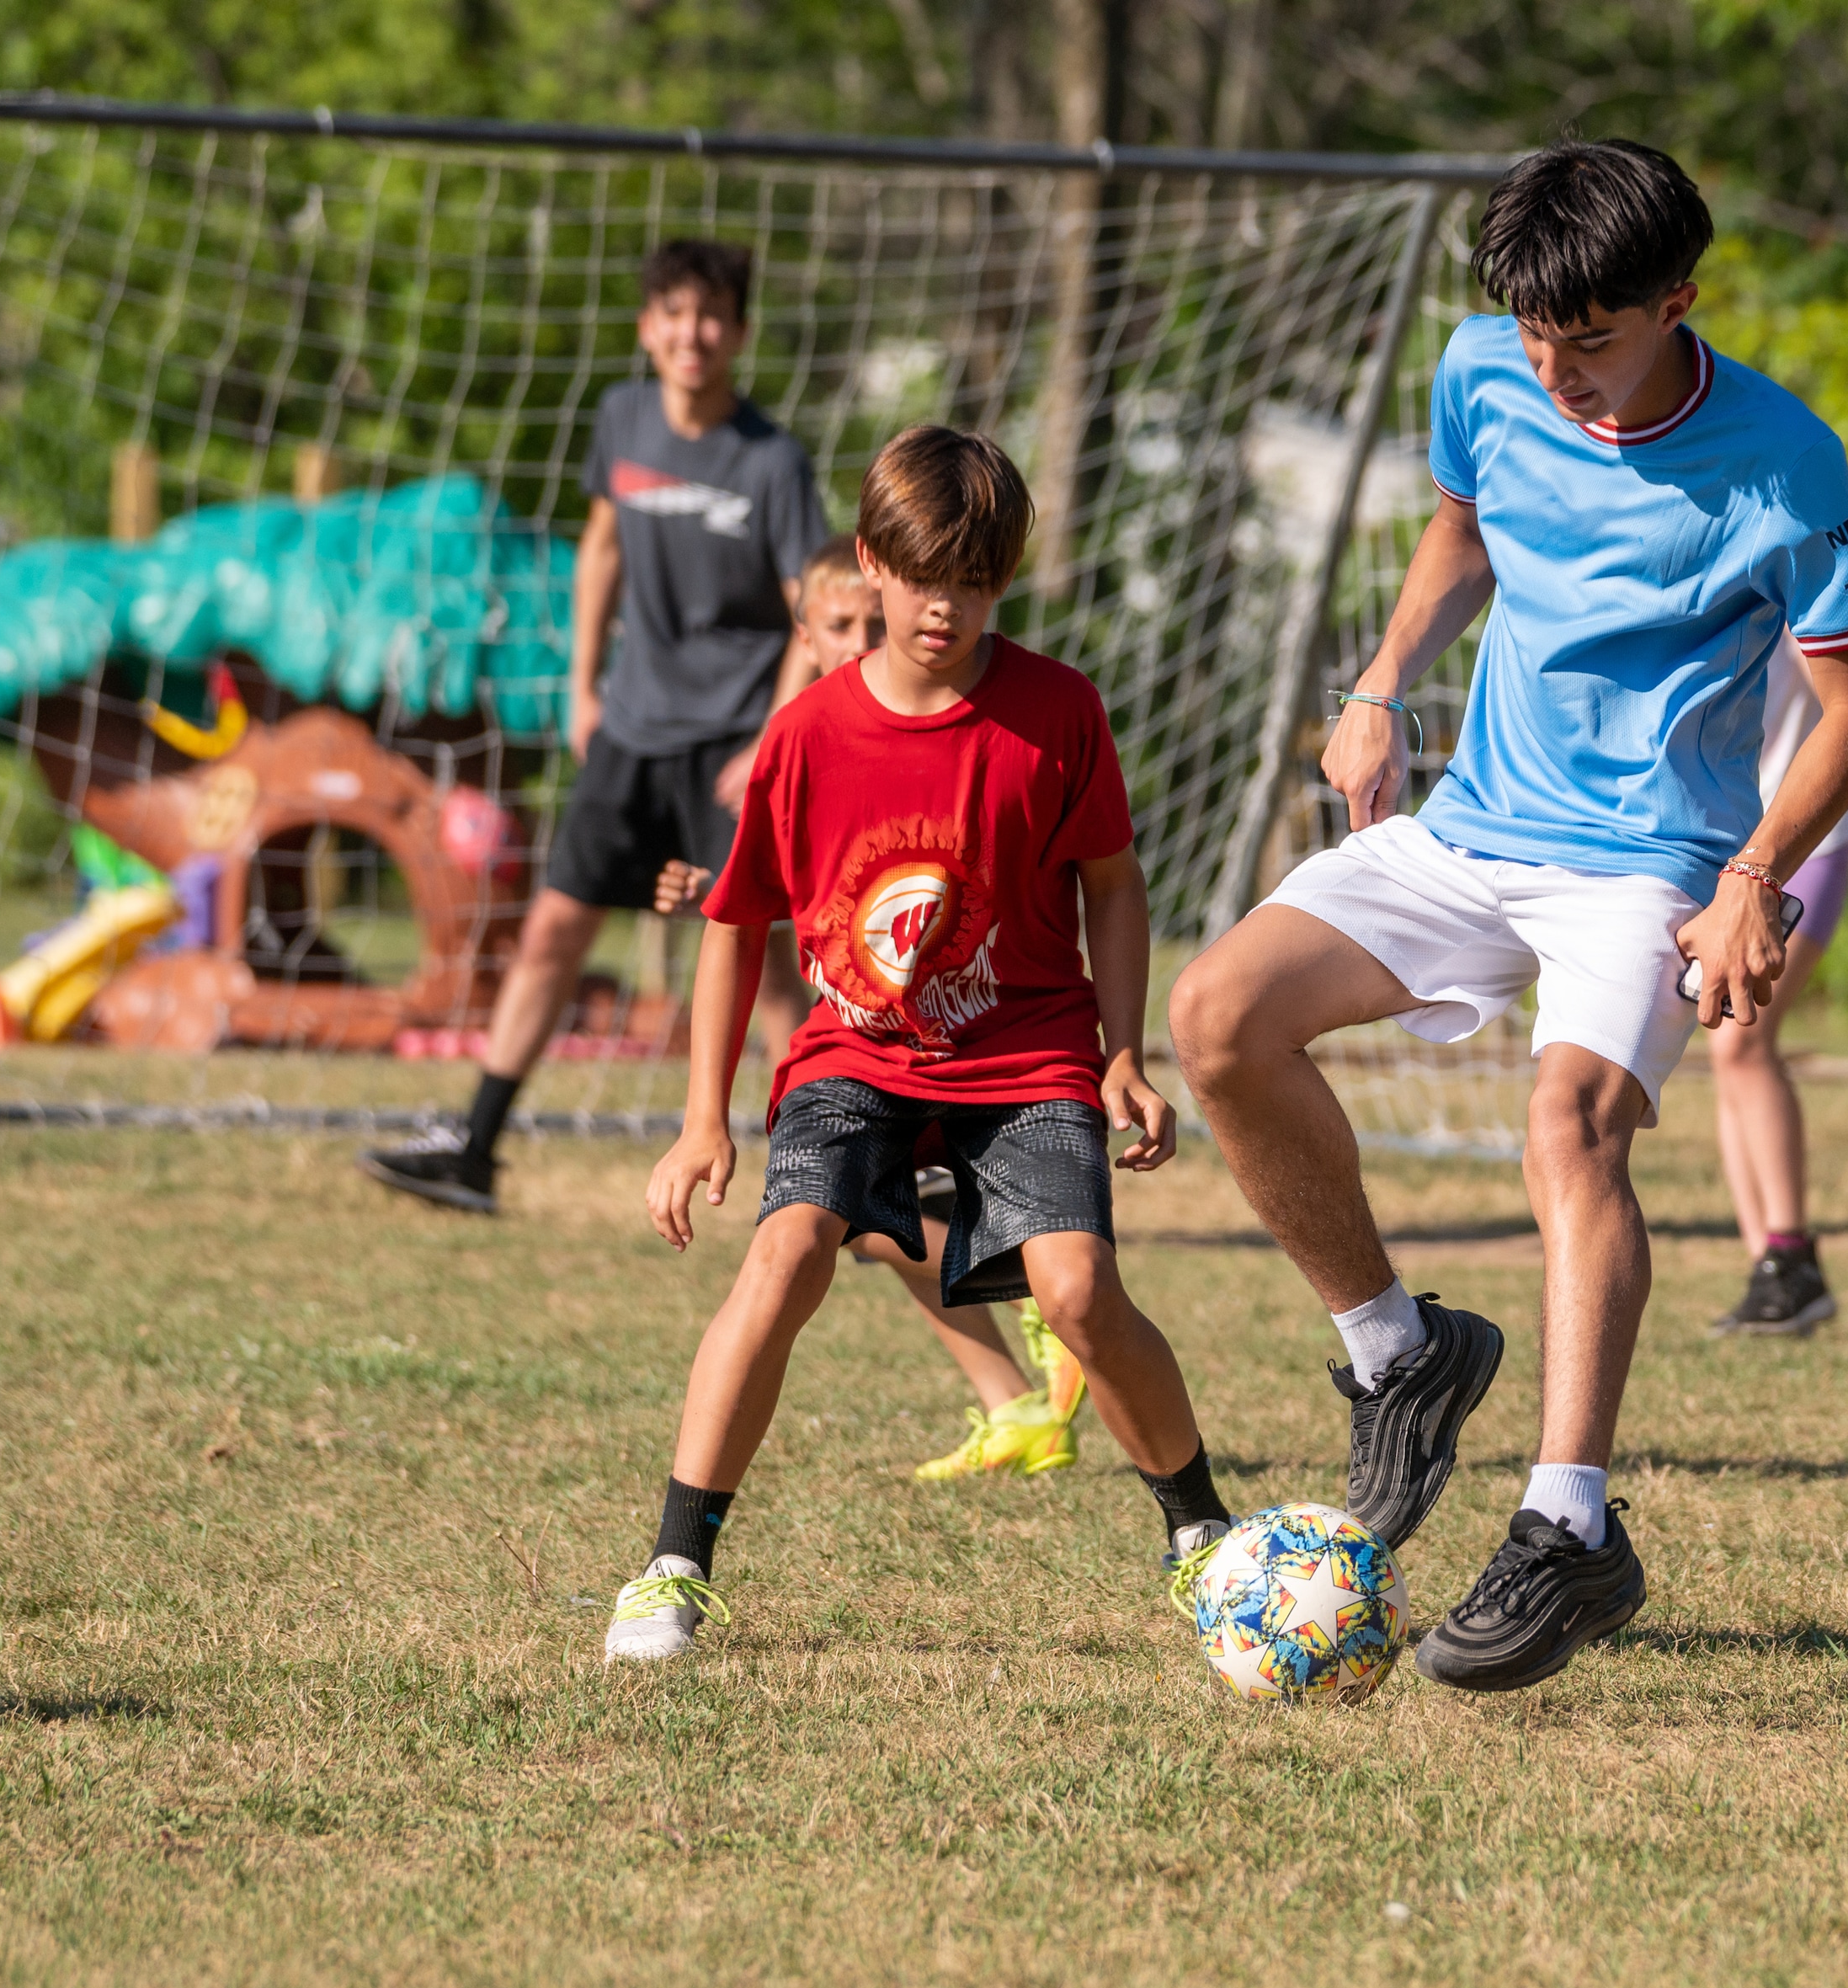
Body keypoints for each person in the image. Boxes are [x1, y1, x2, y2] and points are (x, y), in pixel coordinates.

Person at [1169, 141, 1848, 1693]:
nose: (1555, 369)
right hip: (1469, 830)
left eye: (1594, 338)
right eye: (1535, 332)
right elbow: (1462, 529)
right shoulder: (1483, 366)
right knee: (1217, 1018)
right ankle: (1399, 1351)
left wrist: (1754, 879)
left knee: (1569, 1125)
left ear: (1678, 301)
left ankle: (1568, 1529)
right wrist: (1377, 688)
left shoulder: (1786, 461)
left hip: (1650, 865)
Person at [603, 424, 1232, 1664]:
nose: (946, 606)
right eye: (922, 573)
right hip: (854, 1052)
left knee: (1081, 1292)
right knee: (785, 1255)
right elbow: (735, 924)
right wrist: (699, 1119)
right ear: (871, 563)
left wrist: (1122, 1051)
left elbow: (1114, 881)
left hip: (1029, 1050)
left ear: (1007, 579)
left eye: (977, 580)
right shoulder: (806, 736)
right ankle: (674, 1562)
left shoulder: (1058, 712)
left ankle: (1203, 1535)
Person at [359, 237, 817, 1217]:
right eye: (674, 313)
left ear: (738, 332)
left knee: (763, 966)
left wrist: (771, 740)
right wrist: (581, 686)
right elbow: (603, 543)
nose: (692, 333)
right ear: (649, 327)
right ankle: (474, 1147)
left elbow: (812, 615)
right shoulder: (623, 419)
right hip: (632, 734)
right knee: (553, 930)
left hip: (734, 748)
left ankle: (846, 1161)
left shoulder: (773, 461)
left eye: (712, 316)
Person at [656, 534, 1092, 1479]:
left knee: (860, 1219)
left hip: (955, 1046)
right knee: (852, 1225)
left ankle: (1024, 1281)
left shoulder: (972, 717)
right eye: (840, 624)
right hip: (849, 1046)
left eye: (869, 618)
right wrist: (714, 894)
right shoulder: (805, 734)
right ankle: (1012, 1391)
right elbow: (778, 915)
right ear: (805, 635)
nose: (863, 636)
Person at [1707, 642, 1848, 1338]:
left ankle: (1790, 1255)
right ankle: (1770, 1267)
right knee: (1726, 1051)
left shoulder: (1796, 576)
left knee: (1744, 1041)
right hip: (1735, 849)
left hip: (1804, 843)